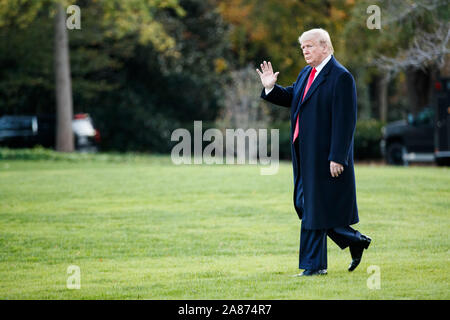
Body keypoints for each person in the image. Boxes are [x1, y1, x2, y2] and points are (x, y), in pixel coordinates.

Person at [256, 28, 371, 276]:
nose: (305, 51)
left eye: (309, 46)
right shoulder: (307, 72)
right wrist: (270, 88)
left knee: (311, 208)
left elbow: (345, 121)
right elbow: (293, 97)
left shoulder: (341, 77)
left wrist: (338, 156)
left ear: (325, 47)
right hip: (304, 154)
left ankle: (314, 266)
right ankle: (354, 240)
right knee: (305, 205)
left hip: (326, 156)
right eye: (303, 47)